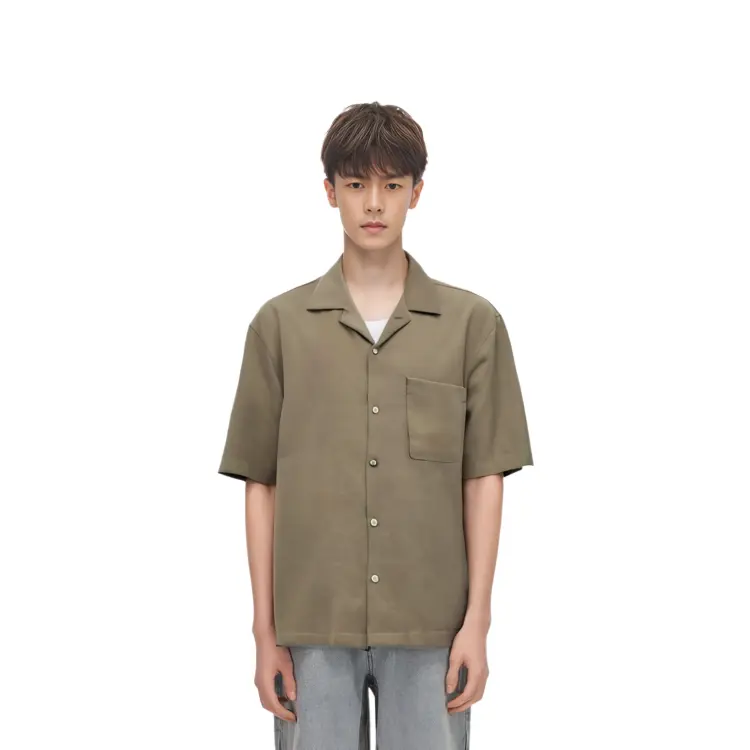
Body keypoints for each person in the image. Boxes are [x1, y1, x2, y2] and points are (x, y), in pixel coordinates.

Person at [217, 101, 534, 749]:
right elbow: (260, 484)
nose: (374, 203)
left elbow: (484, 479)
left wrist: (477, 621)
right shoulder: (279, 328)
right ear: (329, 191)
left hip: (431, 626)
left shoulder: (473, 326)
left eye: (392, 185)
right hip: (312, 626)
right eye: (357, 183)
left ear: (417, 193)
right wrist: (264, 632)